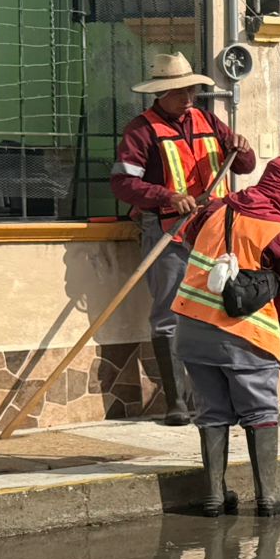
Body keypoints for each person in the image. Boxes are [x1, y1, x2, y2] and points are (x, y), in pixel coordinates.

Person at [112, 53, 256, 426]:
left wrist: (243, 147)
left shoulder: (209, 121)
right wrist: (167, 197)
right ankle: (177, 402)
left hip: (212, 233)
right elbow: (123, 183)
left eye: (191, 89)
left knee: (216, 311)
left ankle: (215, 397)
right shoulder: (140, 131)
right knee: (169, 315)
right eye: (180, 92)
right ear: (161, 93)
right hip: (169, 234)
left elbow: (244, 165)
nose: (188, 97)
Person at [172, 158, 280, 517]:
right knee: (260, 411)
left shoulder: (214, 211)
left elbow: (187, 238)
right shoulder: (276, 230)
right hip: (244, 336)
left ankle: (215, 496)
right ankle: (268, 494)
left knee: (212, 411)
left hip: (191, 326)